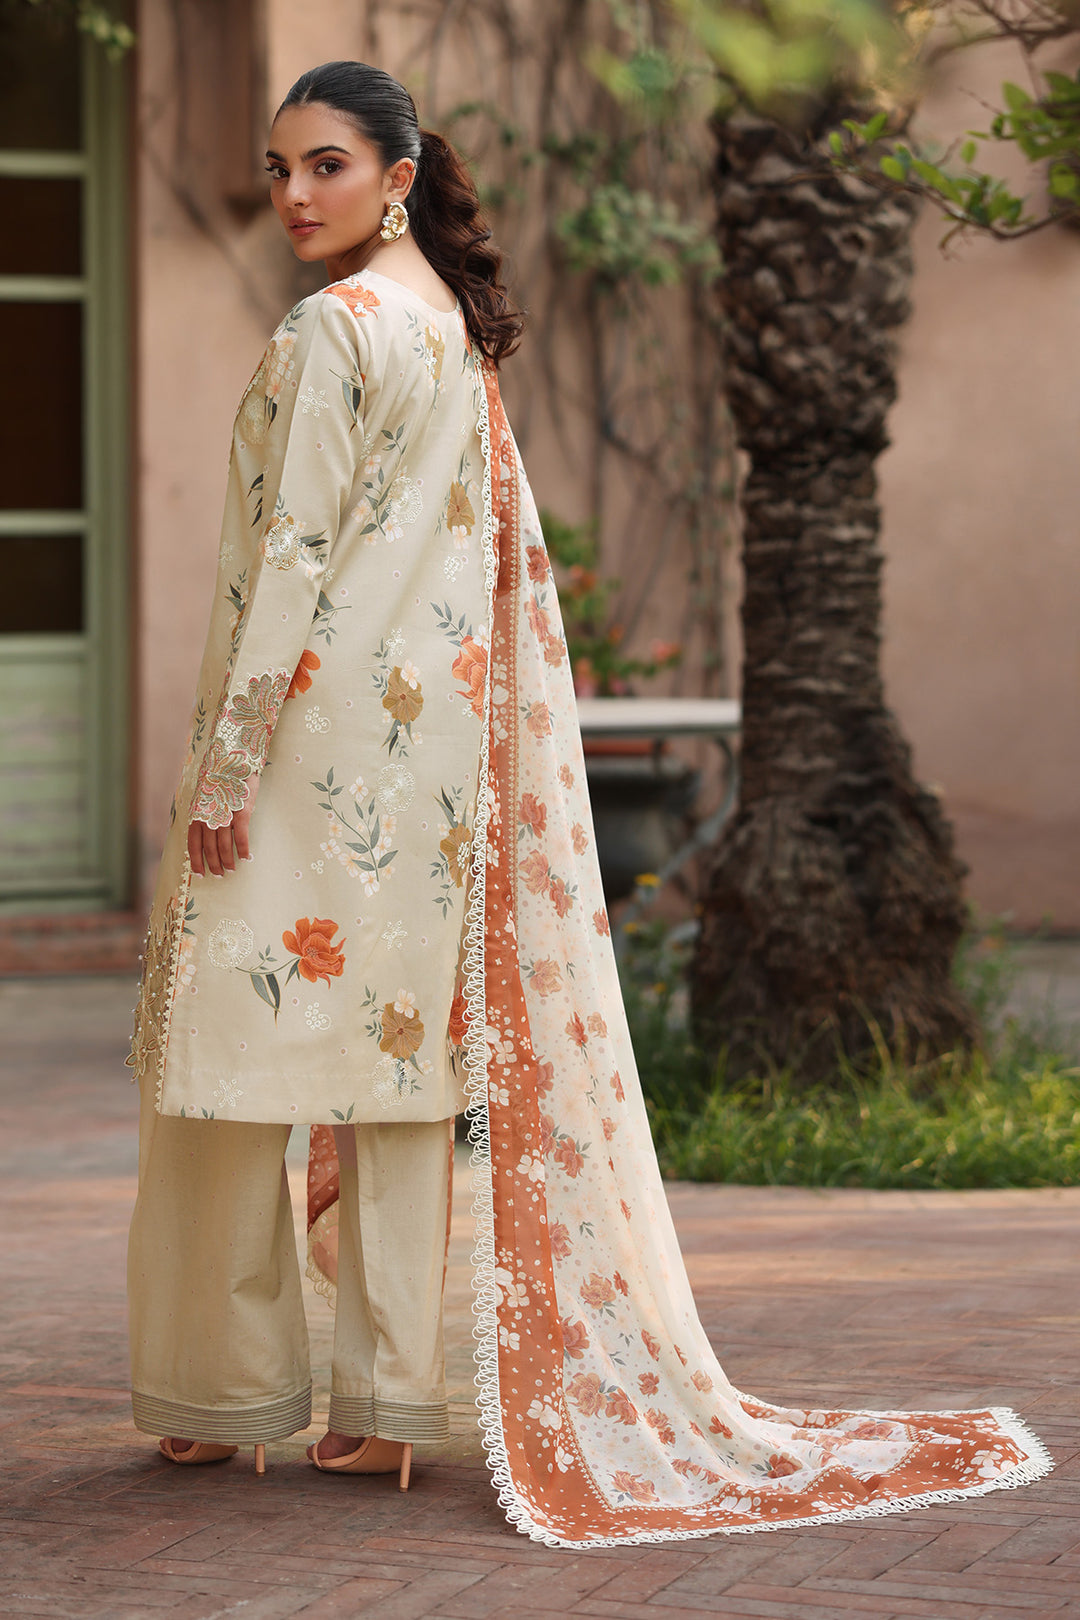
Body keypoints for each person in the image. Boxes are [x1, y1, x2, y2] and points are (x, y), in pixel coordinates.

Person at [127, 60, 1051, 1544]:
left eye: (327, 165)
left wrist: (231, 765)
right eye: (281, 168)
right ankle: (382, 1407)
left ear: (399, 178)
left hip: (302, 746)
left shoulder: (335, 326)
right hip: (426, 766)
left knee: (231, 1054)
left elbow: (293, 556)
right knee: (392, 1067)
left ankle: (223, 1388)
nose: (295, 194)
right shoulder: (452, 332)